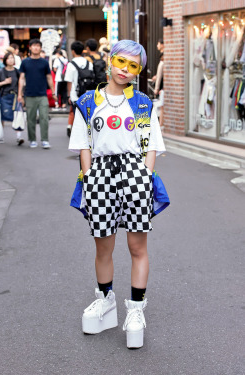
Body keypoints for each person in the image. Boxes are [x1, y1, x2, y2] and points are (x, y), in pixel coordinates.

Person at [69, 40, 169, 349]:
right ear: (110, 60)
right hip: (99, 173)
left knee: (137, 245)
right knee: (103, 246)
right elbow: (84, 144)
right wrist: (87, 177)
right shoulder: (88, 101)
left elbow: (152, 143)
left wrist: (146, 173)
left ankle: (136, 310)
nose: (125, 70)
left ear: (139, 70)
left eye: (133, 66)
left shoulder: (142, 102)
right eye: (121, 62)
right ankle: (106, 300)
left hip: (135, 172)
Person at [18, 39, 57, 149]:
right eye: (33, 46)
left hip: (42, 94)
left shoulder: (44, 62)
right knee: (30, 118)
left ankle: (45, 140)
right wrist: (20, 94)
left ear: (40, 48)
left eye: (38, 46)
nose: (36, 48)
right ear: (30, 47)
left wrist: (53, 92)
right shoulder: (25, 62)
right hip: (29, 94)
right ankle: (32, 139)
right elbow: (21, 78)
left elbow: (49, 78)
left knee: (44, 117)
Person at [65, 41, 93, 137]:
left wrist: (69, 95)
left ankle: (78, 136)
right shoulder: (89, 63)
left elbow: (69, 81)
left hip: (75, 95)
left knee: (77, 117)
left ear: (73, 51)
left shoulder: (71, 64)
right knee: (87, 116)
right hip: (87, 94)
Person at [0, 51, 24, 145]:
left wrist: (21, 95)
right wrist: (5, 82)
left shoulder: (17, 71)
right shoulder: (1, 71)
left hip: (15, 96)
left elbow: (20, 83)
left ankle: (19, 137)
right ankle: (0, 135)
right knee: (2, 117)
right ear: (5, 60)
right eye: (9, 58)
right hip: (4, 96)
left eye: (12, 58)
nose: (11, 60)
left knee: (17, 115)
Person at [154, 52, 164, 128]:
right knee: (162, 107)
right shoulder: (163, 64)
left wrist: (156, 88)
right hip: (163, 89)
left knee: (162, 107)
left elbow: (159, 77)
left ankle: (161, 124)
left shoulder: (162, 64)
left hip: (162, 89)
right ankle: (161, 124)